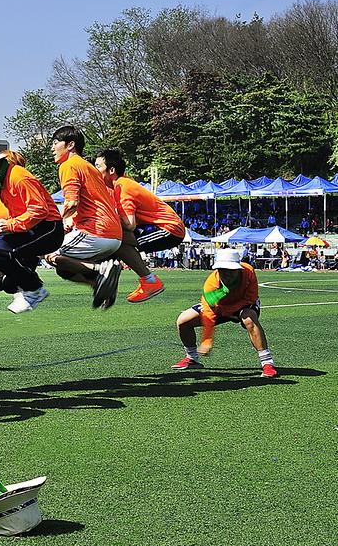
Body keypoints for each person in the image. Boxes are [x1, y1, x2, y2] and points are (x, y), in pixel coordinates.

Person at [0, 139, 63, 313]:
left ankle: (34, 288)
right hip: (27, 230)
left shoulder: (18, 176)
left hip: (48, 229)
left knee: (0, 249)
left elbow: (40, 210)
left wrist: (11, 225)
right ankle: (24, 285)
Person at [44, 126, 123, 309]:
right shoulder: (89, 167)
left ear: (70, 145)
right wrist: (71, 221)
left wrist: (53, 226)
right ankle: (100, 285)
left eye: (55, 143)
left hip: (96, 231)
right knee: (64, 269)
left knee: (50, 252)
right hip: (113, 235)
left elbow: (71, 203)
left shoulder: (68, 165)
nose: (52, 148)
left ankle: (100, 271)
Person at [94, 149, 185, 303]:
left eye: (98, 166)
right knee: (113, 238)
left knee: (116, 238)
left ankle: (149, 281)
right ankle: (109, 277)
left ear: (111, 170)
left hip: (169, 229)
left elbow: (129, 224)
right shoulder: (121, 183)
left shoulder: (122, 187)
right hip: (158, 226)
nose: (94, 171)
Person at [171, 249, 278, 378]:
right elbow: (208, 314)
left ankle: (267, 363)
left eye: (230, 271)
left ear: (238, 269)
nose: (226, 275)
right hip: (220, 309)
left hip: (243, 305)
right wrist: (207, 340)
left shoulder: (249, 271)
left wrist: (231, 311)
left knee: (249, 318)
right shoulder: (211, 285)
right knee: (183, 320)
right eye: (222, 271)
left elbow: (251, 298)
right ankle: (192, 358)